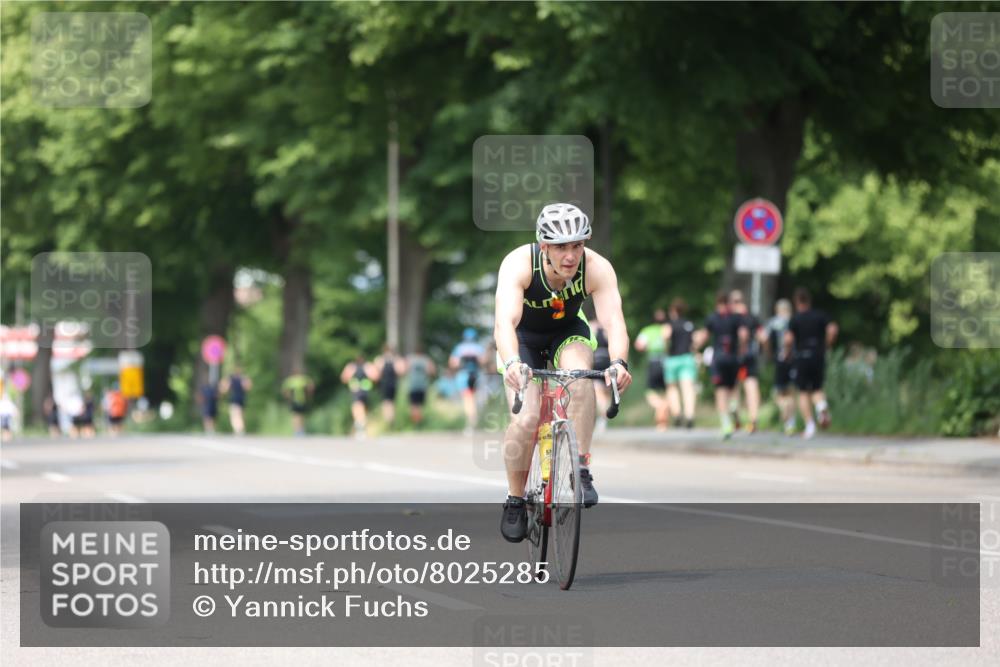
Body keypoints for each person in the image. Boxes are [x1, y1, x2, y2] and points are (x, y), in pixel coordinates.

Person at [494, 202, 633, 543]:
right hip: (522, 339)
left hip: (568, 332)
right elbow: (505, 323)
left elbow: (614, 322)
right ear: (544, 246)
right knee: (525, 419)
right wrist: (512, 363)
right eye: (560, 246)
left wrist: (618, 363)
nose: (570, 256)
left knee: (579, 377)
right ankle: (514, 499)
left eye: (577, 245)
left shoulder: (596, 267)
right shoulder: (519, 263)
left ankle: (581, 469)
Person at [694, 291, 748, 439]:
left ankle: (726, 423)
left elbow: (703, 337)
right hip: (733, 357)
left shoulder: (712, 318)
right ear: (729, 303)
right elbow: (743, 335)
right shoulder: (737, 318)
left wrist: (695, 347)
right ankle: (734, 405)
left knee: (720, 391)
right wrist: (742, 349)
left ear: (717, 303)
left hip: (718, 359)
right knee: (734, 387)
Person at [786, 287, 839, 439]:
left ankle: (810, 425)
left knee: (803, 392)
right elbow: (833, 330)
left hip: (802, 356)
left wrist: (788, 352)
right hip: (818, 356)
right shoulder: (820, 316)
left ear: (797, 302)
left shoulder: (795, 319)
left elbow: (788, 339)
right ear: (809, 301)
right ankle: (821, 406)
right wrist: (827, 345)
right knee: (817, 388)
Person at [728, 290, 765, 433]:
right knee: (751, 387)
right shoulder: (751, 317)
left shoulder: (729, 317)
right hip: (749, 357)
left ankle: (735, 417)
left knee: (733, 388)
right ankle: (753, 419)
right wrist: (764, 350)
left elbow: (742, 335)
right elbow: (762, 336)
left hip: (733, 357)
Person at [663, 297, 698, 429]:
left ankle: (677, 413)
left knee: (672, 387)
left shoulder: (670, 324)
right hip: (687, 358)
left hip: (673, 358)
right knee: (688, 388)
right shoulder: (689, 324)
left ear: (673, 311)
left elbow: (665, 337)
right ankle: (690, 415)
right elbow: (695, 341)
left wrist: (666, 348)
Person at [764, 298, 796, 434]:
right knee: (791, 392)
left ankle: (784, 409)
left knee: (778, 392)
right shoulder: (795, 321)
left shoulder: (774, 322)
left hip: (781, 358)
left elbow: (764, 338)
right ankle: (790, 424)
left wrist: (768, 354)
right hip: (795, 359)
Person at [634, 308, 669, 430]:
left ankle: (659, 406)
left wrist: (647, 347)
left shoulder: (647, 330)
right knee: (667, 391)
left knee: (650, 391)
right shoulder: (667, 328)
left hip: (653, 362)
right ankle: (663, 422)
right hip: (667, 362)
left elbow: (639, 345)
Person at [449, 328, 487, 436]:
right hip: (476, 375)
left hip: (464, 375)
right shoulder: (478, 347)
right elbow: (483, 361)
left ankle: (471, 423)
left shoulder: (460, 348)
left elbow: (453, 363)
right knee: (473, 399)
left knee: (468, 399)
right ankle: (473, 421)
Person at [341, 356, 376, 438]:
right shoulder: (367, 366)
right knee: (361, 407)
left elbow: (344, 378)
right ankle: (360, 425)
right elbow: (375, 376)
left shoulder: (351, 367)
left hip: (357, 390)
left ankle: (360, 425)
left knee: (357, 407)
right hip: (363, 390)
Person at [589, 318, 612, 434]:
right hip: (608, 361)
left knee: (599, 393)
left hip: (597, 360)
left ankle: (602, 417)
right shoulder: (608, 328)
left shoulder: (591, 326)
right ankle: (604, 417)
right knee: (607, 393)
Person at [373, 345, 405, 427]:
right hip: (393, 384)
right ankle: (391, 420)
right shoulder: (396, 360)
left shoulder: (380, 360)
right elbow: (401, 371)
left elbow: (376, 374)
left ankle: (388, 421)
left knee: (386, 403)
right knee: (391, 402)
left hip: (384, 384)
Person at [405, 346, 437, 426]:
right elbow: (432, 371)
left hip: (412, 385)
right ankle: (418, 422)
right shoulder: (426, 359)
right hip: (422, 385)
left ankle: (415, 422)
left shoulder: (410, 359)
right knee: (420, 405)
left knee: (413, 405)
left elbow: (404, 370)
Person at [282, 369, 314, 436]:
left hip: (297, 400)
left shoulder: (291, 380)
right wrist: (309, 393)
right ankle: (299, 431)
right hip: (300, 400)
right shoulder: (302, 379)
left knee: (297, 415)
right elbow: (311, 385)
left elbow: (284, 389)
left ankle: (298, 430)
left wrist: (287, 397)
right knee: (299, 415)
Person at [220, 367, 252, 435]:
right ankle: (240, 429)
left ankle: (239, 429)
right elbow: (248, 387)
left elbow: (225, 389)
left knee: (235, 415)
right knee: (240, 414)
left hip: (234, 399)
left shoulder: (231, 379)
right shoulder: (243, 378)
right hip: (241, 398)